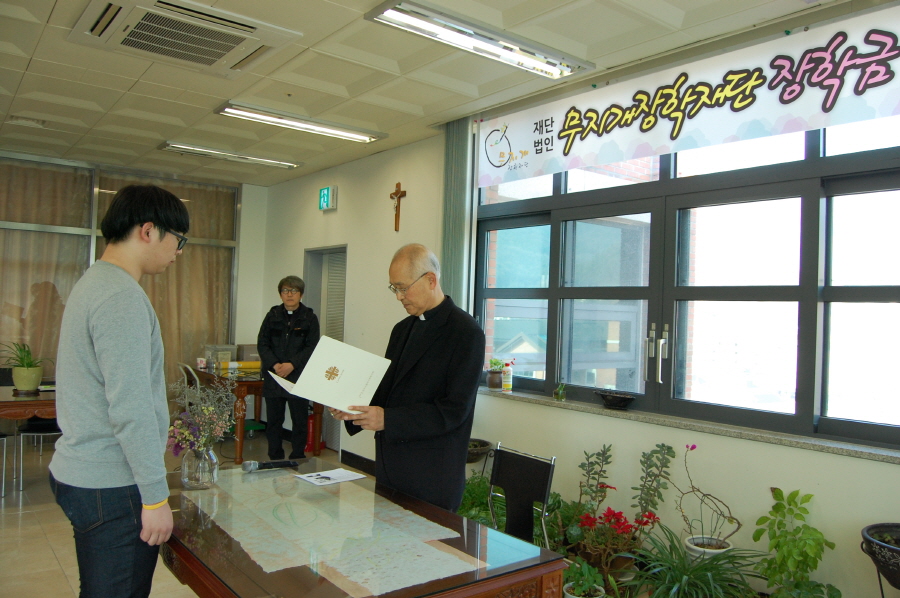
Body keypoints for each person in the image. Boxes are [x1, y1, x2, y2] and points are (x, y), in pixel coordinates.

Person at [48, 184, 189, 598]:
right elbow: (131, 407)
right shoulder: (121, 297)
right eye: (178, 240)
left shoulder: (95, 282)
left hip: (84, 470)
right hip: (111, 483)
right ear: (148, 230)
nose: (178, 252)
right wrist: (155, 498)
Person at [331, 244, 485, 511]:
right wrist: (353, 408)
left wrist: (387, 419)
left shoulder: (465, 332)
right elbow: (388, 390)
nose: (398, 297)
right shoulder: (402, 329)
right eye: (394, 288)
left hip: (432, 473)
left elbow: (454, 411)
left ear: (431, 280)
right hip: (390, 465)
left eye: (403, 288)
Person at [257, 275, 320, 460]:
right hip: (274, 376)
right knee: (274, 422)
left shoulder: (309, 317)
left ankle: (297, 457)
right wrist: (275, 365)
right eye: (285, 290)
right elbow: (262, 343)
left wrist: (292, 364)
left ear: (301, 294)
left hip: (298, 377)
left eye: (294, 291)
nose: (289, 294)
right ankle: (275, 458)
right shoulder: (272, 316)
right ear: (280, 294)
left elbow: (312, 346)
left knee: (299, 421)